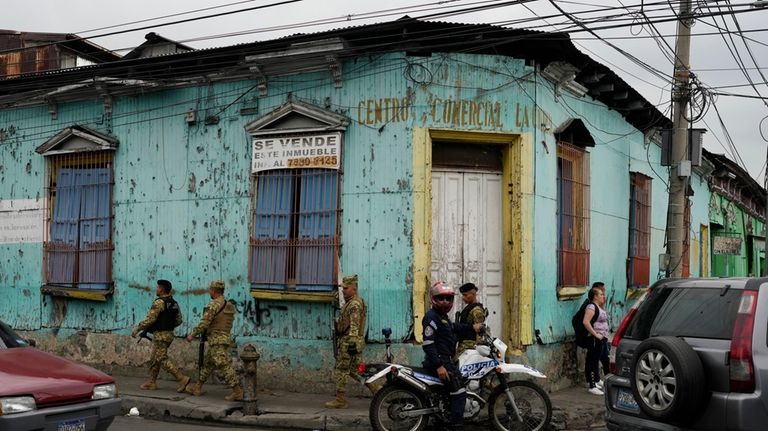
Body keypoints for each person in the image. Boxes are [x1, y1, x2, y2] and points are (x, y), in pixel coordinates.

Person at [423, 281, 483, 431]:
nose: (445, 301)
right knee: (459, 391)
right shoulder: (432, 317)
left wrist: (472, 327)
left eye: (448, 299)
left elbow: (454, 327)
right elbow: (428, 344)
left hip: (444, 359)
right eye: (441, 298)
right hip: (440, 360)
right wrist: (439, 366)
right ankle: (456, 426)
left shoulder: (442, 316)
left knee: (452, 388)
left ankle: (443, 418)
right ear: (434, 298)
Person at [184, 280, 242, 401]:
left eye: (210, 289)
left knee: (223, 364)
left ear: (214, 291)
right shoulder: (229, 305)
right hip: (224, 337)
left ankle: (237, 391)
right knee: (208, 364)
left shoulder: (214, 305)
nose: (209, 292)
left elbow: (205, 322)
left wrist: (192, 334)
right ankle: (197, 387)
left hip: (216, 339)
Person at [132, 279, 189, 392]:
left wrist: (138, 328)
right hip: (168, 334)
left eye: (158, 287)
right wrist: (168, 326)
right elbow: (179, 320)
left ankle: (182, 378)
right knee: (155, 358)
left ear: (162, 290)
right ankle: (151, 382)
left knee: (161, 358)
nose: (156, 289)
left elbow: (150, 319)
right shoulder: (174, 303)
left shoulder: (159, 302)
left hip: (161, 335)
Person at [325, 274, 368, 409]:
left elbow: (354, 326)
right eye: (342, 288)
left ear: (354, 289)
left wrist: (351, 344)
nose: (343, 290)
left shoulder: (354, 305)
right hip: (351, 341)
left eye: (346, 288)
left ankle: (340, 400)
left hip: (349, 342)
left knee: (341, 369)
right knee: (356, 370)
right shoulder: (352, 302)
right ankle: (377, 388)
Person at [582, 282, 610, 395]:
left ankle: (604, 382)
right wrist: (595, 334)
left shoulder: (599, 307)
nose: (603, 296)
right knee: (593, 362)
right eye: (600, 294)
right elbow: (586, 322)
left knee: (605, 361)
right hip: (596, 339)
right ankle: (592, 386)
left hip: (603, 339)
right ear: (595, 296)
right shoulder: (591, 306)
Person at [455, 282, 486, 359]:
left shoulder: (477, 310)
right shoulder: (469, 308)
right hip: (464, 344)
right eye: (463, 295)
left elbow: (479, 330)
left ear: (473, 294)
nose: (463, 297)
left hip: (469, 346)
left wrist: (477, 349)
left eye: (465, 295)